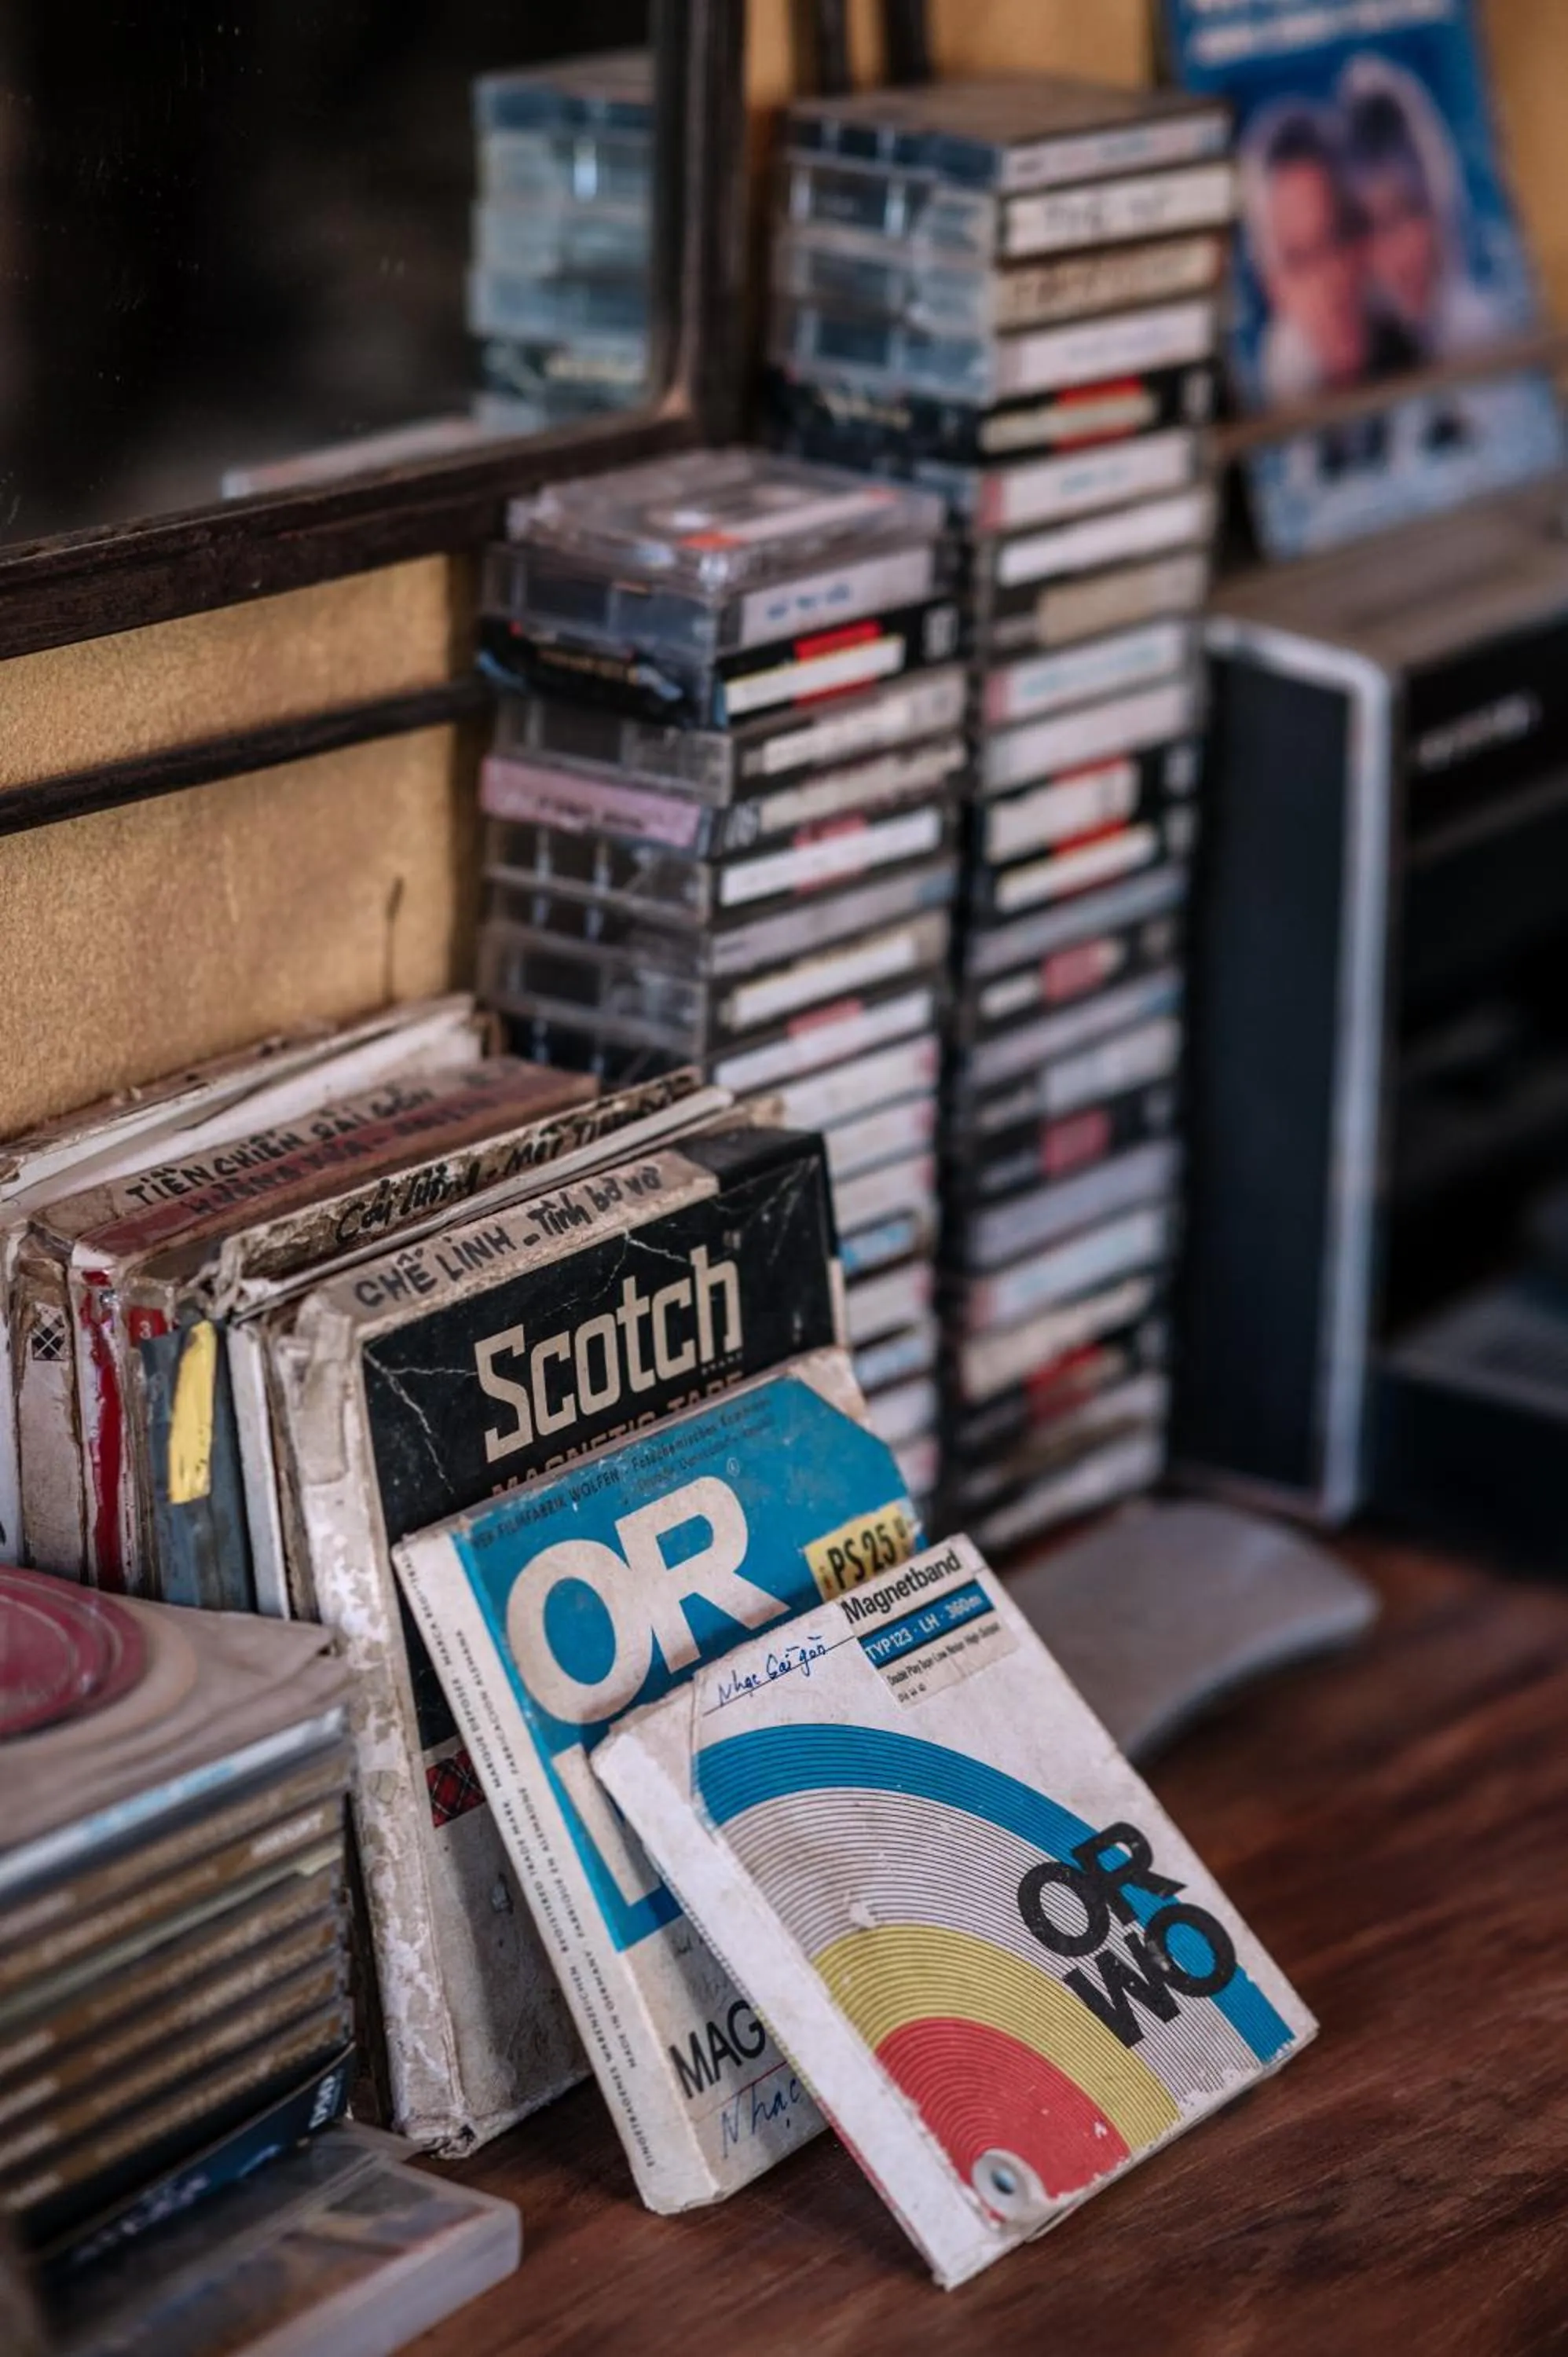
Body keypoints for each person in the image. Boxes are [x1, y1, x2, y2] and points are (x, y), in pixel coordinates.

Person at [1241, 101, 1416, 403]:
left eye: (1338, 238)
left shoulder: (1424, 355)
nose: (1330, 282)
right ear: (1272, 288)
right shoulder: (1266, 406)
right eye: (1299, 261)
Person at [1341, 53, 1504, 362]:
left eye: (1408, 212)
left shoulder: (1490, 330)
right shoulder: (1361, 356)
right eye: (1370, 225)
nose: (1397, 258)